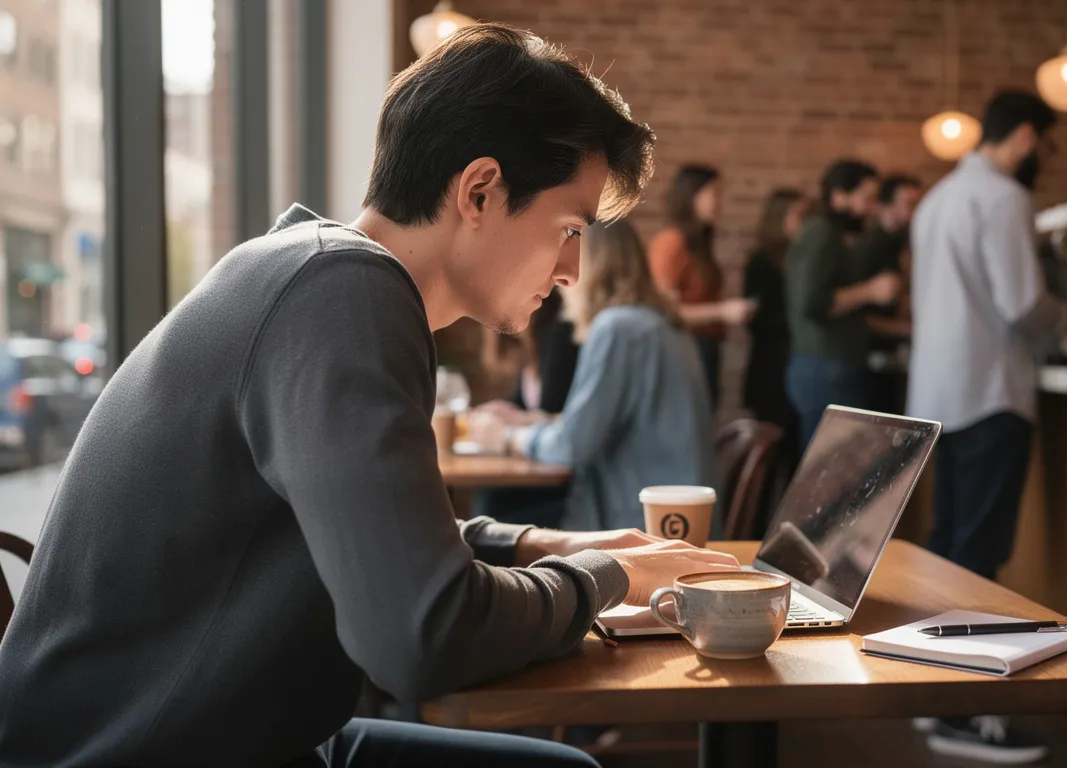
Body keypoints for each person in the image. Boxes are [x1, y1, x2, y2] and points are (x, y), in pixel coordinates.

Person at [0, 25, 739, 767]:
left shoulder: (312, 272)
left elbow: (370, 536)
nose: (573, 269)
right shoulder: (343, 298)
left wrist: (545, 544)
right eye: (569, 228)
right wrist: (609, 579)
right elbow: (423, 634)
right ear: (479, 191)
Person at [906, 90, 1067, 763]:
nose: (1041, 160)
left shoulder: (937, 198)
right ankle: (968, 714)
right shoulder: (1005, 198)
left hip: (939, 390)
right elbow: (1022, 303)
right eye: (1044, 147)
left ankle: (939, 703)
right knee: (978, 559)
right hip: (989, 392)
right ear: (1024, 136)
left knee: (948, 550)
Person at [471, 219, 718, 534]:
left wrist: (505, 437)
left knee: (490, 512)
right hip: (681, 517)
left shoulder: (617, 328)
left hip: (637, 524)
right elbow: (605, 426)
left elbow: (574, 446)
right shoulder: (665, 323)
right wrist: (532, 421)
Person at [785, 160, 900, 452]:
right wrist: (871, 291)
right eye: (867, 198)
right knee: (827, 473)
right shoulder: (821, 232)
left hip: (831, 365)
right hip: (825, 367)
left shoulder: (834, 235)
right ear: (839, 196)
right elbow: (812, 301)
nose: (873, 208)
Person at [647, 164, 757, 410]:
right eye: (713, 194)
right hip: (684, 349)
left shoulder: (698, 242)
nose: (719, 202)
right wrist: (722, 311)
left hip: (704, 346)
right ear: (691, 196)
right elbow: (664, 310)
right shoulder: (671, 242)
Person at [471, 291, 581, 528]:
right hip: (543, 469)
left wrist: (512, 423)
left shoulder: (560, 334)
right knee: (489, 499)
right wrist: (502, 410)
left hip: (563, 481)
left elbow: (559, 413)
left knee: (491, 507)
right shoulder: (532, 343)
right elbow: (525, 403)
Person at [743, 188, 810, 474]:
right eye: (798, 216)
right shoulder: (761, 262)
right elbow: (757, 321)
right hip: (771, 371)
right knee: (768, 462)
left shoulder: (802, 259)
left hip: (796, 367)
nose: (804, 223)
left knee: (798, 457)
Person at [855, 174, 923, 413]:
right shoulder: (869, 247)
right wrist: (910, 329)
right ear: (885, 206)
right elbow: (858, 315)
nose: (915, 212)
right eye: (909, 204)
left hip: (895, 357)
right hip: (871, 360)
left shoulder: (902, 243)